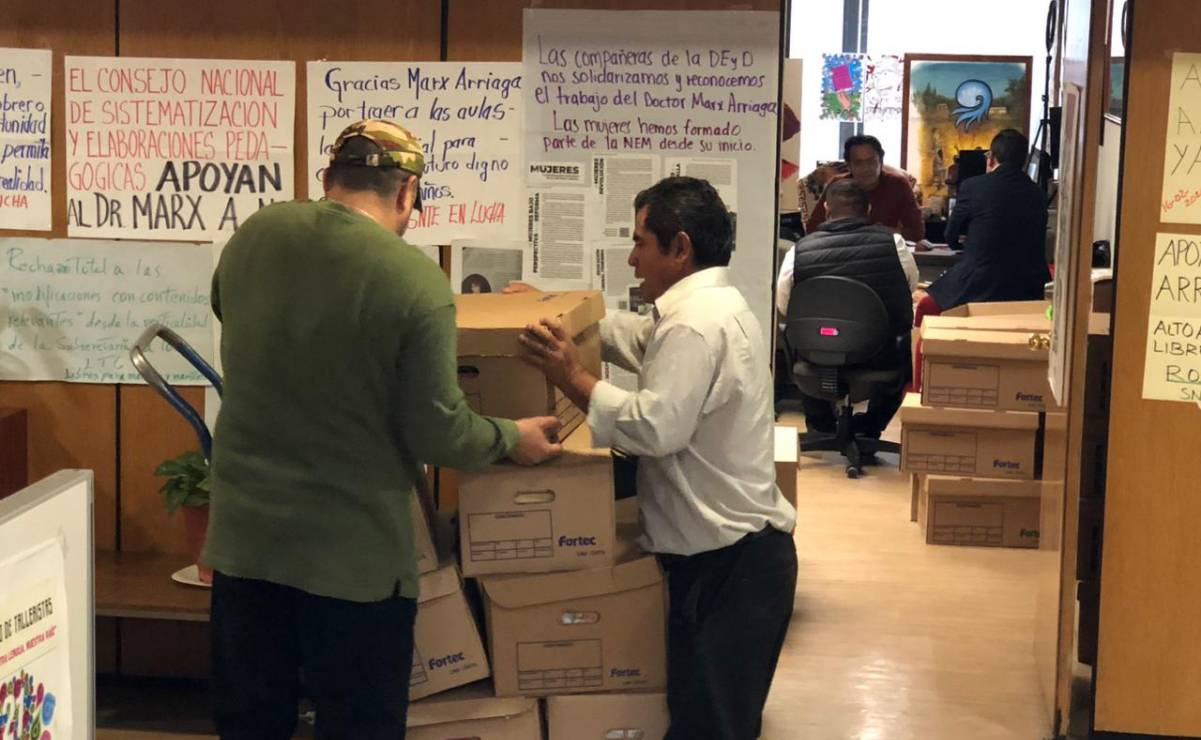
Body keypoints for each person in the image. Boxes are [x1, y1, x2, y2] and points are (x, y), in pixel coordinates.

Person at [204, 119, 562, 740]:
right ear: (406, 193)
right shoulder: (412, 281)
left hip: (244, 545)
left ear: (327, 180)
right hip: (353, 563)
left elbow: (225, 309)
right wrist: (512, 437)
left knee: (250, 723)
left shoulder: (254, 236)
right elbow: (439, 435)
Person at [516, 176, 797, 740]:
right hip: (732, 559)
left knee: (709, 727)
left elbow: (654, 428)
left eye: (641, 242)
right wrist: (559, 315)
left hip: (731, 568)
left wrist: (570, 375)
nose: (632, 258)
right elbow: (641, 338)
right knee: (708, 718)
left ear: (681, 247)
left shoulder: (696, 323)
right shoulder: (707, 306)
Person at [778, 179, 914, 439]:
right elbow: (907, 293)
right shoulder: (894, 245)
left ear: (827, 208)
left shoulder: (799, 251)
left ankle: (821, 429)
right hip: (877, 355)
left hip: (816, 354)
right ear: (869, 208)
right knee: (904, 342)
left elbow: (785, 307)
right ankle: (870, 429)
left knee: (798, 336)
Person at [919, 129, 1051, 311]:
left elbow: (950, 234)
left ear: (991, 158)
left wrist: (964, 245)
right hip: (1029, 286)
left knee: (926, 304)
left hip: (982, 283)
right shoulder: (1037, 193)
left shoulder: (973, 186)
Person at [805, 134, 925, 242]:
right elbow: (812, 229)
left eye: (871, 162)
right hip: (843, 249)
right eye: (858, 163)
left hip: (883, 251)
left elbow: (916, 233)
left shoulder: (898, 184)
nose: (866, 168)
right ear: (849, 165)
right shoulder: (838, 185)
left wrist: (874, 232)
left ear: (881, 162)